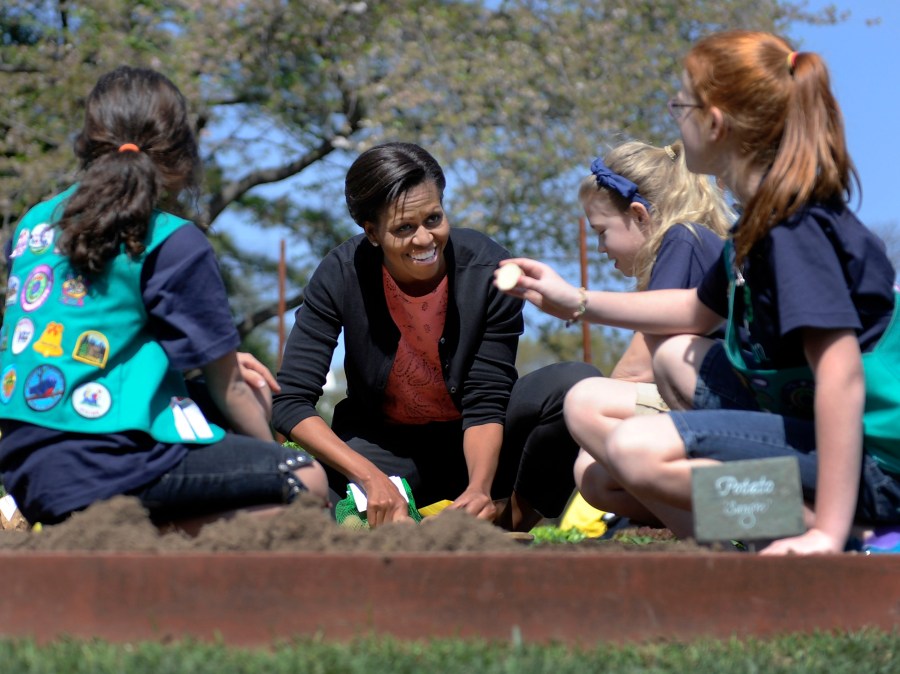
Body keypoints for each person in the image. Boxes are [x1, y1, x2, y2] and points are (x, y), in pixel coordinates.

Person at [495, 30, 900, 555]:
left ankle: (823, 534)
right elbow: (691, 310)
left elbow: (842, 372)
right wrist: (576, 300)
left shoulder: (794, 233)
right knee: (674, 360)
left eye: (680, 103)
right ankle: (768, 525)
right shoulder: (756, 227)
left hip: (875, 463)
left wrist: (827, 529)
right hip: (810, 430)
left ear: (715, 122)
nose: (673, 114)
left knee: (637, 452)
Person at [0, 66, 328, 531]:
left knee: (238, 387)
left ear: (89, 142)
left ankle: (57, 521)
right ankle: (142, 542)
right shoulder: (173, 239)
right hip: (104, 462)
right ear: (181, 151)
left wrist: (229, 363)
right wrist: (273, 458)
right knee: (304, 482)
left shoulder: (34, 223)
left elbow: (100, 331)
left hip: (21, 462)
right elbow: (229, 388)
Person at [271, 142, 525, 528]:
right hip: (382, 450)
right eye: (404, 228)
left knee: (566, 388)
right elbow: (290, 401)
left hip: (474, 446)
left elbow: (487, 398)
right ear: (371, 232)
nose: (424, 240)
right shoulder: (340, 274)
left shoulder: (491, 270)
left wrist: (479, 487)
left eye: (434, 218)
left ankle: (504, 517)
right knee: (300, 487)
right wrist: (369, 477)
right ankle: (395, 516)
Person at [496, 140, 733, 531]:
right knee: (596, 478)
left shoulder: (681, 239)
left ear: (639, 215)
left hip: (726, 402)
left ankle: (718, 534)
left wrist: (577, 302)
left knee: (588, 416)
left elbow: (637, 369)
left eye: (602, 232)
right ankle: (728, 521)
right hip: (711, 403)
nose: (602, 248)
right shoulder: (693, 245)